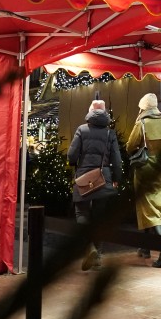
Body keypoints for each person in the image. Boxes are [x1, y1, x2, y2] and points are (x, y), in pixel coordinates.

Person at [67, 99, 124, 272]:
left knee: (81, 212)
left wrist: (73, 162)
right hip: (103, 177)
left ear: (90, 111)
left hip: (84, 176)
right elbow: (117, 159)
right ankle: (97, 256)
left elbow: (72, 155)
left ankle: (89, 245)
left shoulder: (82, 130)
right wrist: (117, 178)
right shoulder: (110, 133)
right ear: (105, 112)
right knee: (100, 217)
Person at [126, 92, 161, 268]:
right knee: (155, 207)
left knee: (149, 209)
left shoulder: (142, 123)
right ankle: (145, 247)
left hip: (146, 170)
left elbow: (130, 146)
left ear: (143, 107)